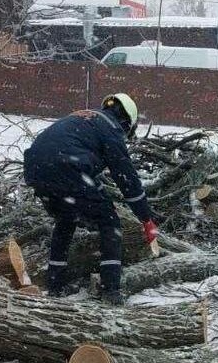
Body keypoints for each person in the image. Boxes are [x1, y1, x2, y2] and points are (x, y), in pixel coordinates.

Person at [23, 94, 158, 305]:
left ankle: (55, 284)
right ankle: (111, 291)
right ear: (126, 121)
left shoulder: (86, 118)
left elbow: (81, 155)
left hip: (36, 169)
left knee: (66, 219)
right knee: (110, 222)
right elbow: (126, 178)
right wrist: (146, 218)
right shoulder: (111, 129)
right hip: (68, 166)